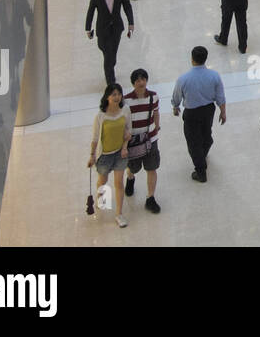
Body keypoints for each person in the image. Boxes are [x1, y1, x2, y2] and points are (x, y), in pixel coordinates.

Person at [171, 46, 226, 183]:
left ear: (192, 59)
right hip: (208, 110)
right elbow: (220, 96)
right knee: (206, 132)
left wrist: (175, 106)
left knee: (193, 142)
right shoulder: (214, 76)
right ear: (205, 58)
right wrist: (223, 112)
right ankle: (206, 146)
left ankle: (201, 171)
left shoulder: (183, 79)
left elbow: (177, 96)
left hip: (191, 113)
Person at [89, 83, 133, 229]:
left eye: (119, 94)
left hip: (120, 153)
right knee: (103, 180)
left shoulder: (125, 110)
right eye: (113, 94)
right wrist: (92, 155)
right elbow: (95, 138)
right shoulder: (100, 116)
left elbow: (128, 130)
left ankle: (119, 214)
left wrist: (125, 147)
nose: (117, 97)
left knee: (119, 183)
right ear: (107, 97)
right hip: (105, 156)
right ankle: (101, 198)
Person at [122, 68, 162, 214]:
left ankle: (150, 198)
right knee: (133, 167)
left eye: (143, 79)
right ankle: (130, 177)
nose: (141, 82)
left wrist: (156, 128)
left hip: (150, 139)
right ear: (133, 83)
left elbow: (156, 113)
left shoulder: (153, 97)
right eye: (138, 80)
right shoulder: (126, 101)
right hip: (133, 141)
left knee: (152, 167)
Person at [85, 0, 134, 86]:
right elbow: (90, 11)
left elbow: (127, 7)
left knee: (112, 55)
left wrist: (131, 23)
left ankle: (110, 68)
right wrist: (88, 28)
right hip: (103, 30)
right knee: (108, 54)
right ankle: (111, 83)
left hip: (116, 28)